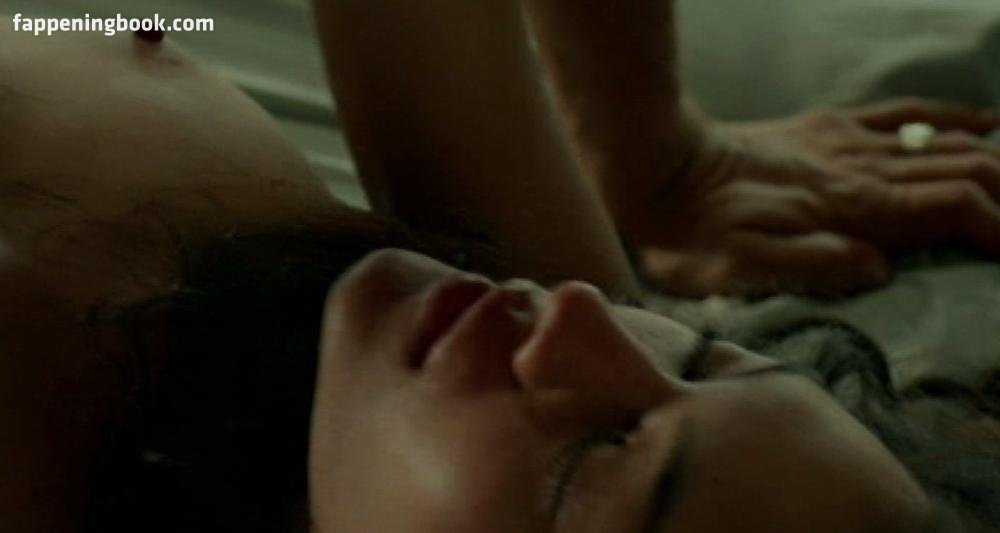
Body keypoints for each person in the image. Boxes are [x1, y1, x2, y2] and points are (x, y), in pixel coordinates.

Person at [0, 2, 998, 532]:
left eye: (586, 469)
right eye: (703, 358)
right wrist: (650, 151)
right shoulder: (460, 343)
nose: (575, 315)